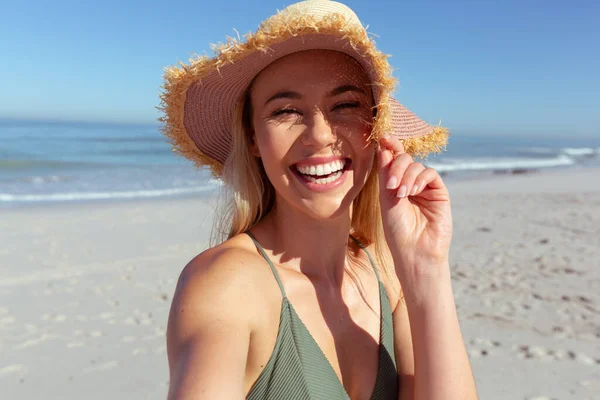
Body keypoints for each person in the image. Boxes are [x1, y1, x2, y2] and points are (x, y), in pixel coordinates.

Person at [160, 1, 478, 399]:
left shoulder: (387, 272)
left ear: (376, 128)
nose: (320, 135)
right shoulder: (227, 283)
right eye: (287, 111)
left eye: (346, 105)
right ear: (254, 138)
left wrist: (427, 270)